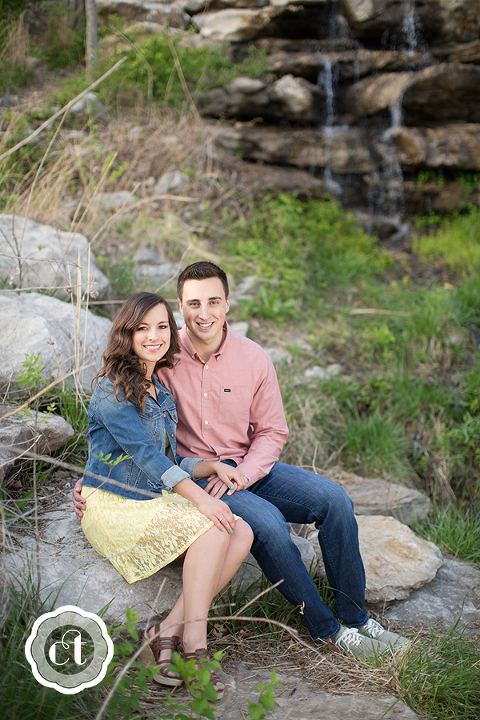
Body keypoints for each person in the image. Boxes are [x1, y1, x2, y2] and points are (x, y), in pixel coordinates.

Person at [75, 265, 409, 659]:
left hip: (245, 466)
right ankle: (330, 631)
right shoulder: (162, 355)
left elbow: (273, 432)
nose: (204, 313)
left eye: (213, 302)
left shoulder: (252, 357)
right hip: (195, 476)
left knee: (334, 499)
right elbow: (131, 434)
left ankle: (356, 619)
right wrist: (91, 480)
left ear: (227, 303)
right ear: (180, 307)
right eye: (194, 303)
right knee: (266, 524)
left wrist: (245, 474)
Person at [79, 291, 253, 695]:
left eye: (162, 326)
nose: (154, 336)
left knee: (241, 531)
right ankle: (195, 643)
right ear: (127, 333)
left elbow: (168, 457)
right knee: (213, 524)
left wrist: (210, 467)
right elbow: (143, 456)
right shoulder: (112, 389)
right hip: (114, 502)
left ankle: (164, 630)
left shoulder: (160, 389)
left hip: (151, 497)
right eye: (143, 328)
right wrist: (201, 496)